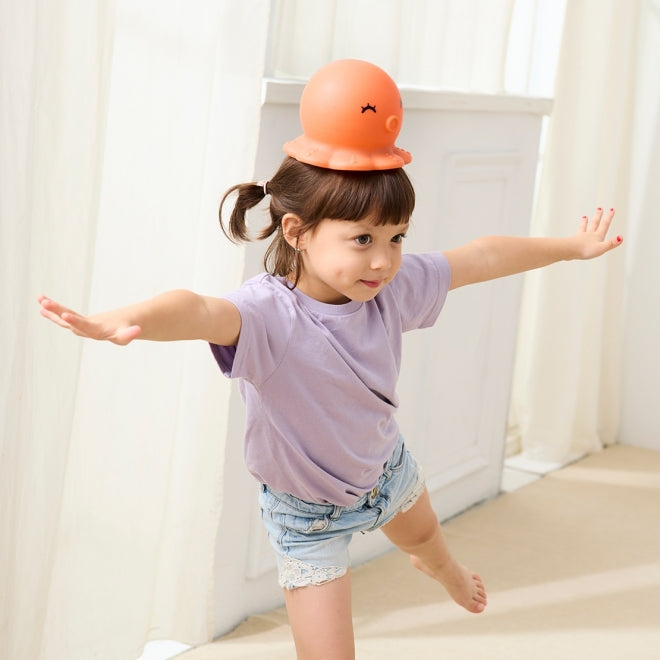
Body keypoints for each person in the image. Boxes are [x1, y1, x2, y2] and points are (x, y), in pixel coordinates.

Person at [38, 59, 623, 660]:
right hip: (306, 519)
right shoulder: (267, 316)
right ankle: (430, 560)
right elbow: (196, 309)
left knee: (426, 538)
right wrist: (120, 320)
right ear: (296, 232)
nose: (383, 260)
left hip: (385, 469)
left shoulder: (390, 287)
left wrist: (570, 247)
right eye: (362, 240)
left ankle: (440, 567)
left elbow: (482, 257)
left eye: (396, 237)